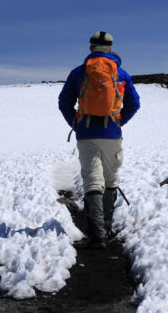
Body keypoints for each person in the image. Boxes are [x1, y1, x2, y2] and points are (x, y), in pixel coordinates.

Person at [58, 31, 140, 249]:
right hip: (112, 134)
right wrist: (118, 122)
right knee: (110, 179)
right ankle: (107, 226)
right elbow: (134, 103)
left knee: (92, 181)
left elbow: (64, 102)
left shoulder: (78, 73)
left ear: (91, 47)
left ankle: (97, 236)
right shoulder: (121, 73)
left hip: (86, 135)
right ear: (111, 48)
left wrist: (76, 124)